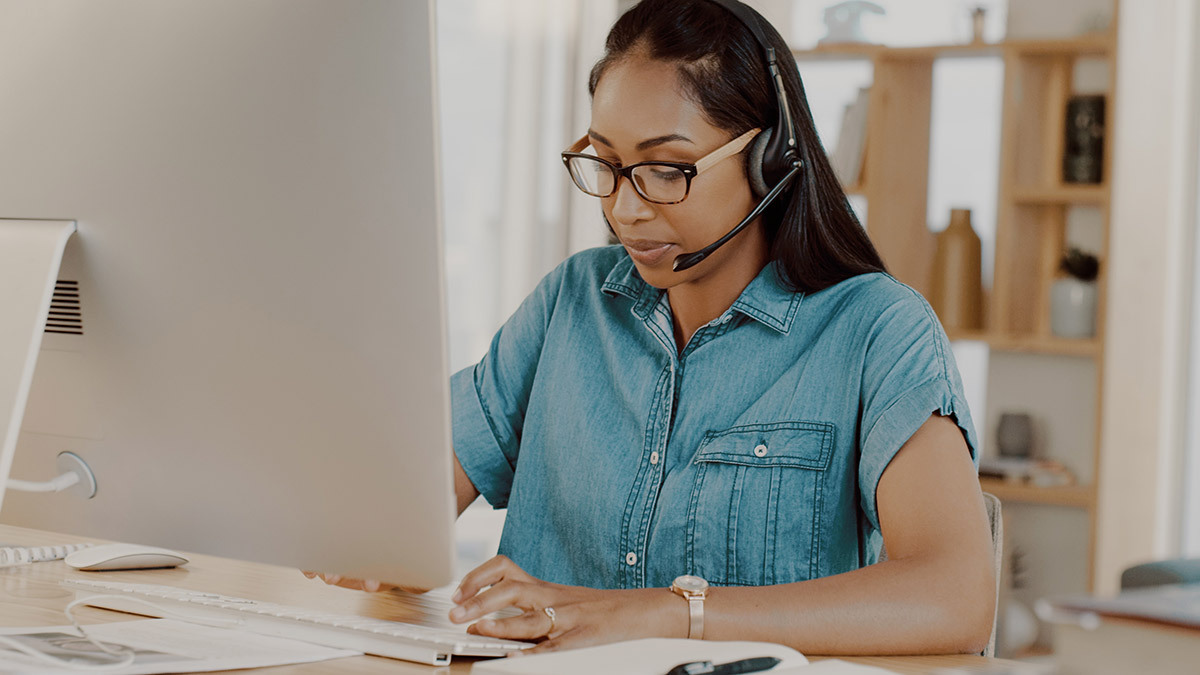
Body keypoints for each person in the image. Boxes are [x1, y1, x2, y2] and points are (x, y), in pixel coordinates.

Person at [311, 0, 995, 656]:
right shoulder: (570, 303)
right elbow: (409, 507)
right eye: (606, 165)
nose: (625, 209)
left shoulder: (878, 331)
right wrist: (376, 542)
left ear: (769, 158)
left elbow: (956, 596)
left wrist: (672, 614)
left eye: (665, 171)